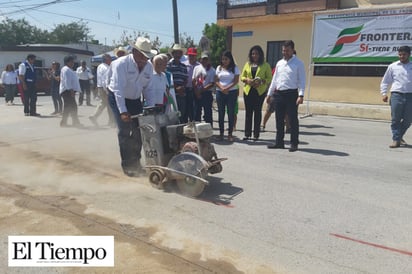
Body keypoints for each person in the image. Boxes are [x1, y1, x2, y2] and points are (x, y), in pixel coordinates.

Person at [107, 37, 156, 177]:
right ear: (134, 51)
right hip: (117, 98)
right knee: (125, 130)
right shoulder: (120, 64)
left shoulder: (148, 66)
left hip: (135, 99)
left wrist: (151, 108)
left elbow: (149, 89)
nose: (143, 59)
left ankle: (136, 162)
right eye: (141, 55)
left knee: (139, 131)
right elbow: (118, 90)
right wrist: (123, 111)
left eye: (146, 56)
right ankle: (128, 166)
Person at [267, 40, 306, 152]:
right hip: (279, 94)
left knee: (293, 120)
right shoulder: (279, 63)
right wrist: (269, 94)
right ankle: (279, 142)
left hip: (291, 94)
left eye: (287, 50)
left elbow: (302, 80)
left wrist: (301, 95)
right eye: (283, 50)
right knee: (279, 119)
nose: (285, 52)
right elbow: (275, 80)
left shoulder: (299, 63)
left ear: (292, 50)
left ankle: (294, 143)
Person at [380, 45, 412, 148]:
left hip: (410, 96)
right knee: (395, 119)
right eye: (400, 54)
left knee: (408, 120)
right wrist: (384, 93)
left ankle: (399, 136)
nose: (402, 56)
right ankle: (396, 140)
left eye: (404, 54)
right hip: (396, 95)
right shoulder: (393, 66)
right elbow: (385, 81)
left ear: (409, 55)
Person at [241, 45, 272, 141]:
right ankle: (247, 134)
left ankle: (256, 135)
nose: (254, 55)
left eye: (257, 54)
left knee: (257, 112)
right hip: (248, 91)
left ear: (260, 55)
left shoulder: (265, 65)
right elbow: (242, 77)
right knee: (248, 113)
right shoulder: (247, 64)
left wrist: (261, 82)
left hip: (259, 92)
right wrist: (247, 80)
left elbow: (269, 78)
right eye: (253, 54)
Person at [215, 50, 240, 142]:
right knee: (221, 113)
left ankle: (230, 134)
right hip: (220, 92)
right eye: (223, 59)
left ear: (230, 59)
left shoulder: (235, 68)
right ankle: (221, 133)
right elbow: (216, 80)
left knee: (231, 113)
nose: (224, 61)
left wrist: (227, 88)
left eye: (226, 59)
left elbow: (236, 81)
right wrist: (222, 88)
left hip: (231, 93)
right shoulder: (219, 68)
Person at [89, 54, 114, 127]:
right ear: (107, 60)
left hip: (100, 87)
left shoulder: (100, 66)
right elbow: (105, 80)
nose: (111, 60)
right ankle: (111, 121)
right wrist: (107, 90)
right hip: (105, 88)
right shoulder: (106, 68)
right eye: (109, 59)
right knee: (110, 105)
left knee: (104, 103)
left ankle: (94, 116)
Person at [59, 55, 83, 128]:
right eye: (71, 61)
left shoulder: (69, 69)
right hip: (67, 91)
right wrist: (71, 90)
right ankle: (69, 122)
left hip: (69, 91)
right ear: (67, 62)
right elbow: (67, 81)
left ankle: (70, 122)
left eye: (73, 61)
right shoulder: (66, 69)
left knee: (70, 107)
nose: (73, 63)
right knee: (71, 107)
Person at [167, 44, 188, 123]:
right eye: (176, 53)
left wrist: (182, 88)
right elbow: (168, 79)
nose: (178, 55)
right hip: (172, 95)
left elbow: (185, 79)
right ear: (173, 54)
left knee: (181, 114)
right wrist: (176, 88)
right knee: (172, 115)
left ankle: (180, 133)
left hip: (182, 94)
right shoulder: (169, 65)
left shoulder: (183, 66)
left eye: (180, 53)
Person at [193, 51, 215, 126]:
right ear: (200, 59)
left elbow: (212, 83)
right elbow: (194, 80)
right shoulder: (196, 68)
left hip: (206, 93)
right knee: (197, 112)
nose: (204, 61)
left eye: (206, 59)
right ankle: (197, 130)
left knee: (208, 113)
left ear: (209, 60)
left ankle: (208, 129)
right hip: (197, 92)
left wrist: (202, 90)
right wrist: (196, 91)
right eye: (203, 59)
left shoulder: (212, 70)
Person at [183, 47, 200, 122]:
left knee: (195, 111)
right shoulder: (183, 65)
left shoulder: (199, 66)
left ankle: (195, 126)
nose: (192, 57)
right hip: (186, 89)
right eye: (190, 55)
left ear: (196, 56)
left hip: (195, 90)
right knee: (185, 110)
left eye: (193, 55)